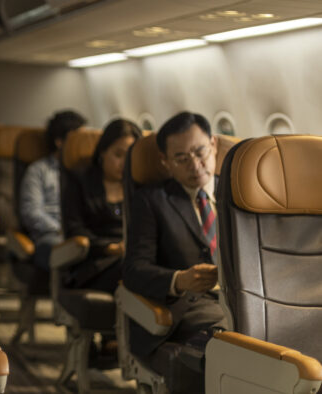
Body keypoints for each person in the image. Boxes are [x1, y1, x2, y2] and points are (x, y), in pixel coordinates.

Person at [122, 111, 225, 394]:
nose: (195, 164)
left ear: (213, 144)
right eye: (181, 158)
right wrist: (180, 280)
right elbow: (133, 270)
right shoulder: (152, 201)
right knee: (231, 335)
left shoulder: (239, 193)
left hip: (241, 298)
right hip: (193, 306)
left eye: (200, 151)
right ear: (166, 163)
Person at [62, 118, 141, 293]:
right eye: (118, 155)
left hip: (133, 257)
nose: (124, 164)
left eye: (129, 157)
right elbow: (74, 229)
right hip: (93, 263)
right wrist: (110, 248)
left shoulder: (138, 185)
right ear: (103, 151)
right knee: (134, 269)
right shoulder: (80, 181)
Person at [19, 110, 86, 271]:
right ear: (59, 142)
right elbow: (31, 212)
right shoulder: (38, 170)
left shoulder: (85, 173)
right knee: (72, 250)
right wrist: (61, 229)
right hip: (51, 235)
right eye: (77, 139)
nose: (82, 145)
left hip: (81, 235)